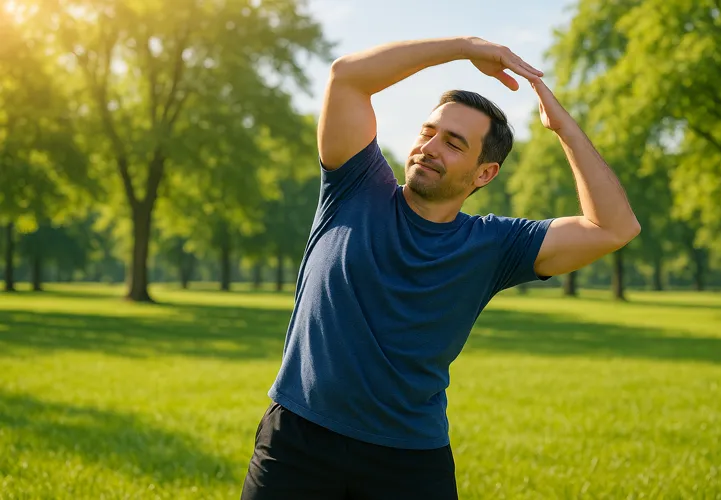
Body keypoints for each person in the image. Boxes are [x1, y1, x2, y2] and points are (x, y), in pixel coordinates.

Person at [240, 36, 640, 500]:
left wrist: (562, 127)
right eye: (428, 132)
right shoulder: (354, 187)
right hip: (298, 442)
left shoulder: (496, 245)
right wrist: (463, 46)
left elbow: (614, 227)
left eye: (453, 143)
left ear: (484, 173)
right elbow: (347, 78)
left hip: (407, 460)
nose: (429, 147)